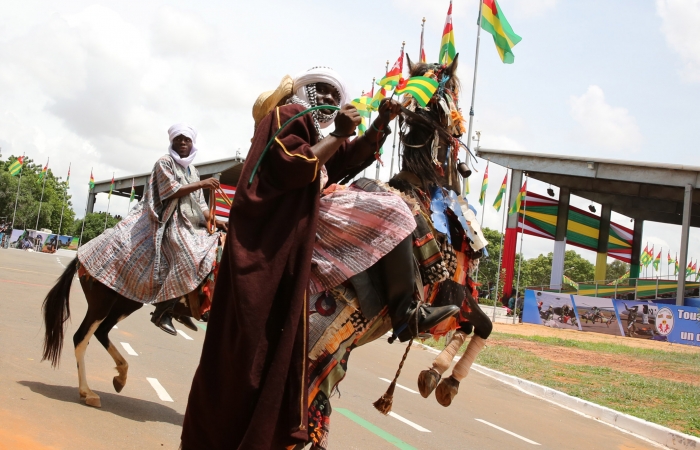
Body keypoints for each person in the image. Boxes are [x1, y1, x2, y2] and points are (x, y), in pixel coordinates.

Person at [181, 68, 457, 450]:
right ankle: (406, 309)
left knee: (389, 201)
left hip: (312, 211)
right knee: (395, 208)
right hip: (288, 220)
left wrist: (380, 121)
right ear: (303, 91)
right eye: (320, 89)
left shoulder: (315, 131)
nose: (327, 97)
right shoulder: (287, 116)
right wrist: (341, 132)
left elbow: (349, 159)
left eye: (334, 92)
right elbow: (295, 167)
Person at [77, 123, 225, 335]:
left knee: (213, 252)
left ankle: (183, 309)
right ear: (172, 141)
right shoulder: (164, 163)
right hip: (171, 221)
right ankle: (163, 312)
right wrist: (202, 185)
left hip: (193, 223)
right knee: (188, 254)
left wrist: (216, 220)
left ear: (192, 143)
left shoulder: (193, 170)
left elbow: (200, 204)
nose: (182, 142)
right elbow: (170, 191)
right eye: (178, 139)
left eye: (187, 139)